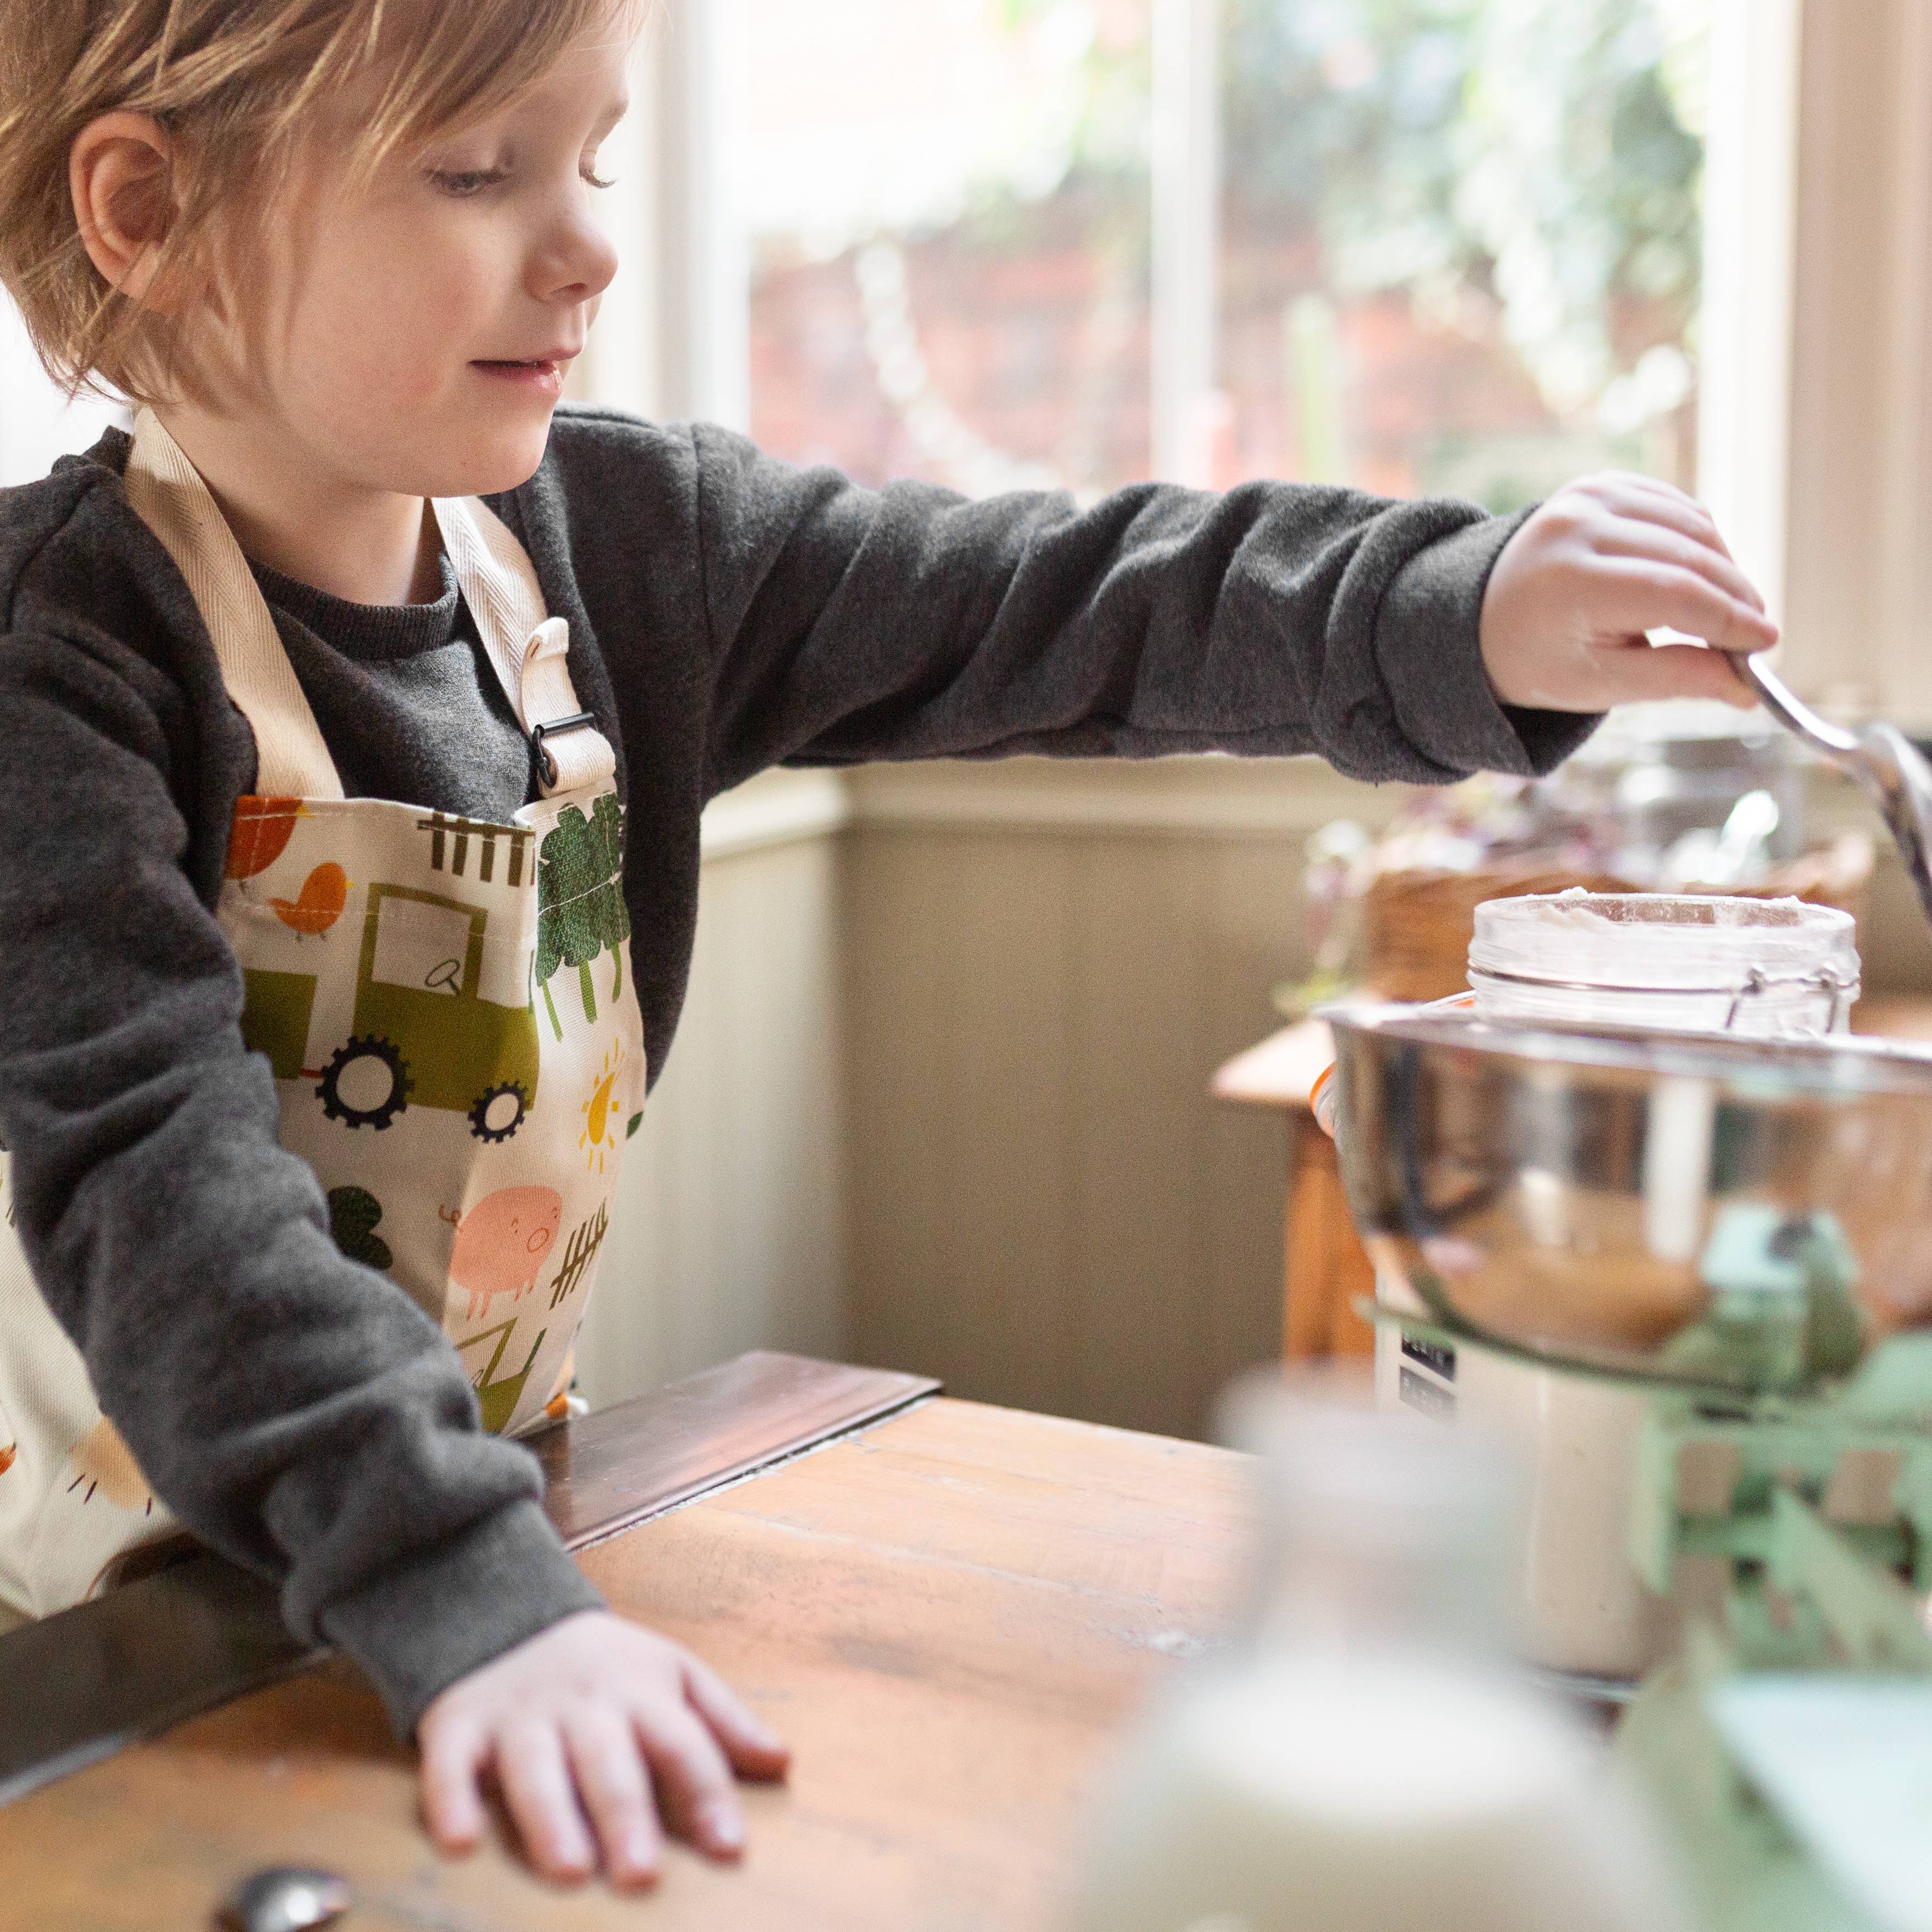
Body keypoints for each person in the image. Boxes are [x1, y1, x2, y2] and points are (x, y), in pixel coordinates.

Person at [0, 0, 1772, 1893]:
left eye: (591, 159)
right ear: (147, 209)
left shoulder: (629, 552)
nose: (588, 244)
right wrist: (466, 1591)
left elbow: (1055, 597)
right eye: (472, 170)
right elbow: (167, 1192)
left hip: (493, 1551)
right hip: (127, 1640)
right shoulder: (60, 661)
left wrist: (1448, 607)